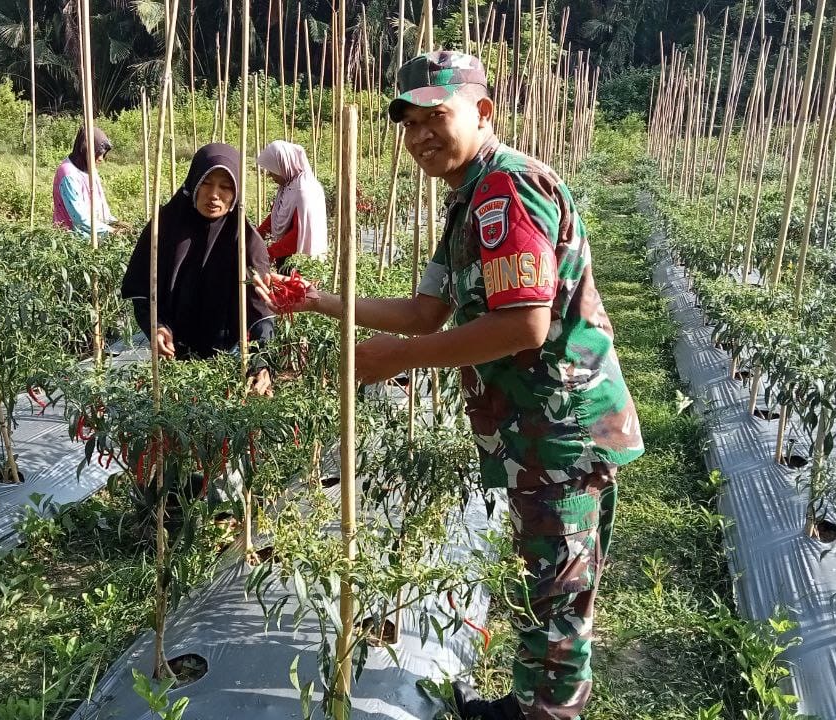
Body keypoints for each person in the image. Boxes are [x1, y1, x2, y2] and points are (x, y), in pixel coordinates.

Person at [257, 51, 643, 720]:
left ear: (481, 112)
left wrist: (396, 359)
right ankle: (526, 706)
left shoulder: (507, 190)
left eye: (435, 117)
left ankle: (547, 715)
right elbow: (424, 311)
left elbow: (524, 324)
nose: (419, 137)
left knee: (558, 602)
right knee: (541, 584)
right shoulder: (470, 199)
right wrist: (320, 301)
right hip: (536, 433)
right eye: (408, 124)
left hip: (560, 433)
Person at [121, 142, 275, 397]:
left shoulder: (245, 240)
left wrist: (261, 359)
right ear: (193, 181)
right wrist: (157, 327)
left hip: (229, 356)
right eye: (206, 182)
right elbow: (142, 291)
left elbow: (261, 308)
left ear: (236, 192)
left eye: (226, 186)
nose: (214, 194)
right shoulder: (164, 227)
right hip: (174, 356)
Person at [255, 140, 329, 268]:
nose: (270, 176)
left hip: (301, 261)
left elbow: (299, 234)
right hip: (285, 256)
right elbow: (275, 216)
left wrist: (270, 253)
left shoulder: (305, 190)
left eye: (273, 171)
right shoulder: (288, 186)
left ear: (283, 165)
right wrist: (255, 236)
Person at [53, 126, 118, 236]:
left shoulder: (90, 168)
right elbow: (79, 218)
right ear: (86, 150)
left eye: (103, 154)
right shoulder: (68, 174)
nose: (101, 158)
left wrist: (114, 223)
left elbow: (100, 205)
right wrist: (112, 231)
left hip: (95, 233)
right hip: (72, 238)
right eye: (98, 153)